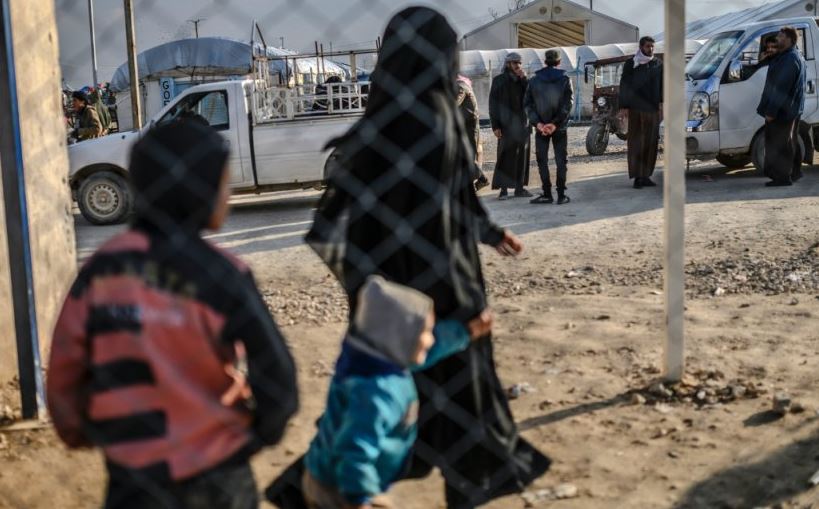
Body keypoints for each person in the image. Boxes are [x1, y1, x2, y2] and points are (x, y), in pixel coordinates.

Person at [269, 7, 550, 509]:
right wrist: (467, 303)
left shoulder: (381, 117)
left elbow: (340, 223)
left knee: (374, 404)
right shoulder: (439, 115)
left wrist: (368, 289)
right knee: (464, 408)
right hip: (441, 291)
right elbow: (449, 209)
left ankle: (317, 487)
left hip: (389, 301)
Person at [47, 120, 299, 509]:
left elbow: (65, 366)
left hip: (133, 477)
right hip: (217, 474)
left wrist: (78, 431)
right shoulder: (224, 274)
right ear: (199, 190)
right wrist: (258, 436)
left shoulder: (101, 271)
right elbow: (277, 374)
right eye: (222, 184)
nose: (228, 195)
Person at [302, 276, 493, 509]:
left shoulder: (375, 359)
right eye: (426, 332)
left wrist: (464, 332)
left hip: (339, 474)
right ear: (401, 338)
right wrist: (359, 499)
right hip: (340, 487)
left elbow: (427, 352)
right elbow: (354, 450)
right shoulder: (375, 392)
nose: (430, 339)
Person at [757, 26, 806, 187]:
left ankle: (782, 178)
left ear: (789, 39)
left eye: (780, 36)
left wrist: (771, 111)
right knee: (789, 142)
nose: (777, 38)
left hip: (782, 111)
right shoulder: (788, 55)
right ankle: (795, 173)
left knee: (779, 144)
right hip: (790, 109)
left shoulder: (789, 59)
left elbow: (781, 88)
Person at [524, 49, 574, 205]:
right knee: (561, 160)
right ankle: (561, 195)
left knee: (542, 160)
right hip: (559, 127)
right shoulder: (565, 79)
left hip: (541, 128)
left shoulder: (534, 81)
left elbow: (527, 105)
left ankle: (547, 194)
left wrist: (539, 124)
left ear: (545, 62)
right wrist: (555, 123)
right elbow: (568, 104)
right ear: (559, 62)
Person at [618, 36, 663, 189]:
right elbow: (624, 85)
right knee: (637, 143)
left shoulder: (657, 64)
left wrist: (662, 104)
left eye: (652, 46)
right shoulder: (631, 63)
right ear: (641, 47)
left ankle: (646, 175)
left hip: (652, 109)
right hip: (636, 108)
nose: (650, 49)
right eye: (648, 46)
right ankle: (637, 177)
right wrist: (623, 106)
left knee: (651, 142)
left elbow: (662, 85)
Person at [489, 52, 532, 200]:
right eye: (514, 63)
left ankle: (519, 189)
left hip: (523, 125)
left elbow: (531, 96)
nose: (517, 66)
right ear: (508, 64)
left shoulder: (523, 80)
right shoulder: (499, 80)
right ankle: (504, 190)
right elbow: (493, 104)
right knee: (505, 156)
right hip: (505, 126)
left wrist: (524, 79)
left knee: (522, 158)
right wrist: (495, 125)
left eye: (519, 63)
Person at [456, 75, 489, 190]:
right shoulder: (461, 85)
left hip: (468, 127)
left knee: (467, 155)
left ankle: (482, 179)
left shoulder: (460, 86)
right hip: (465, 126)